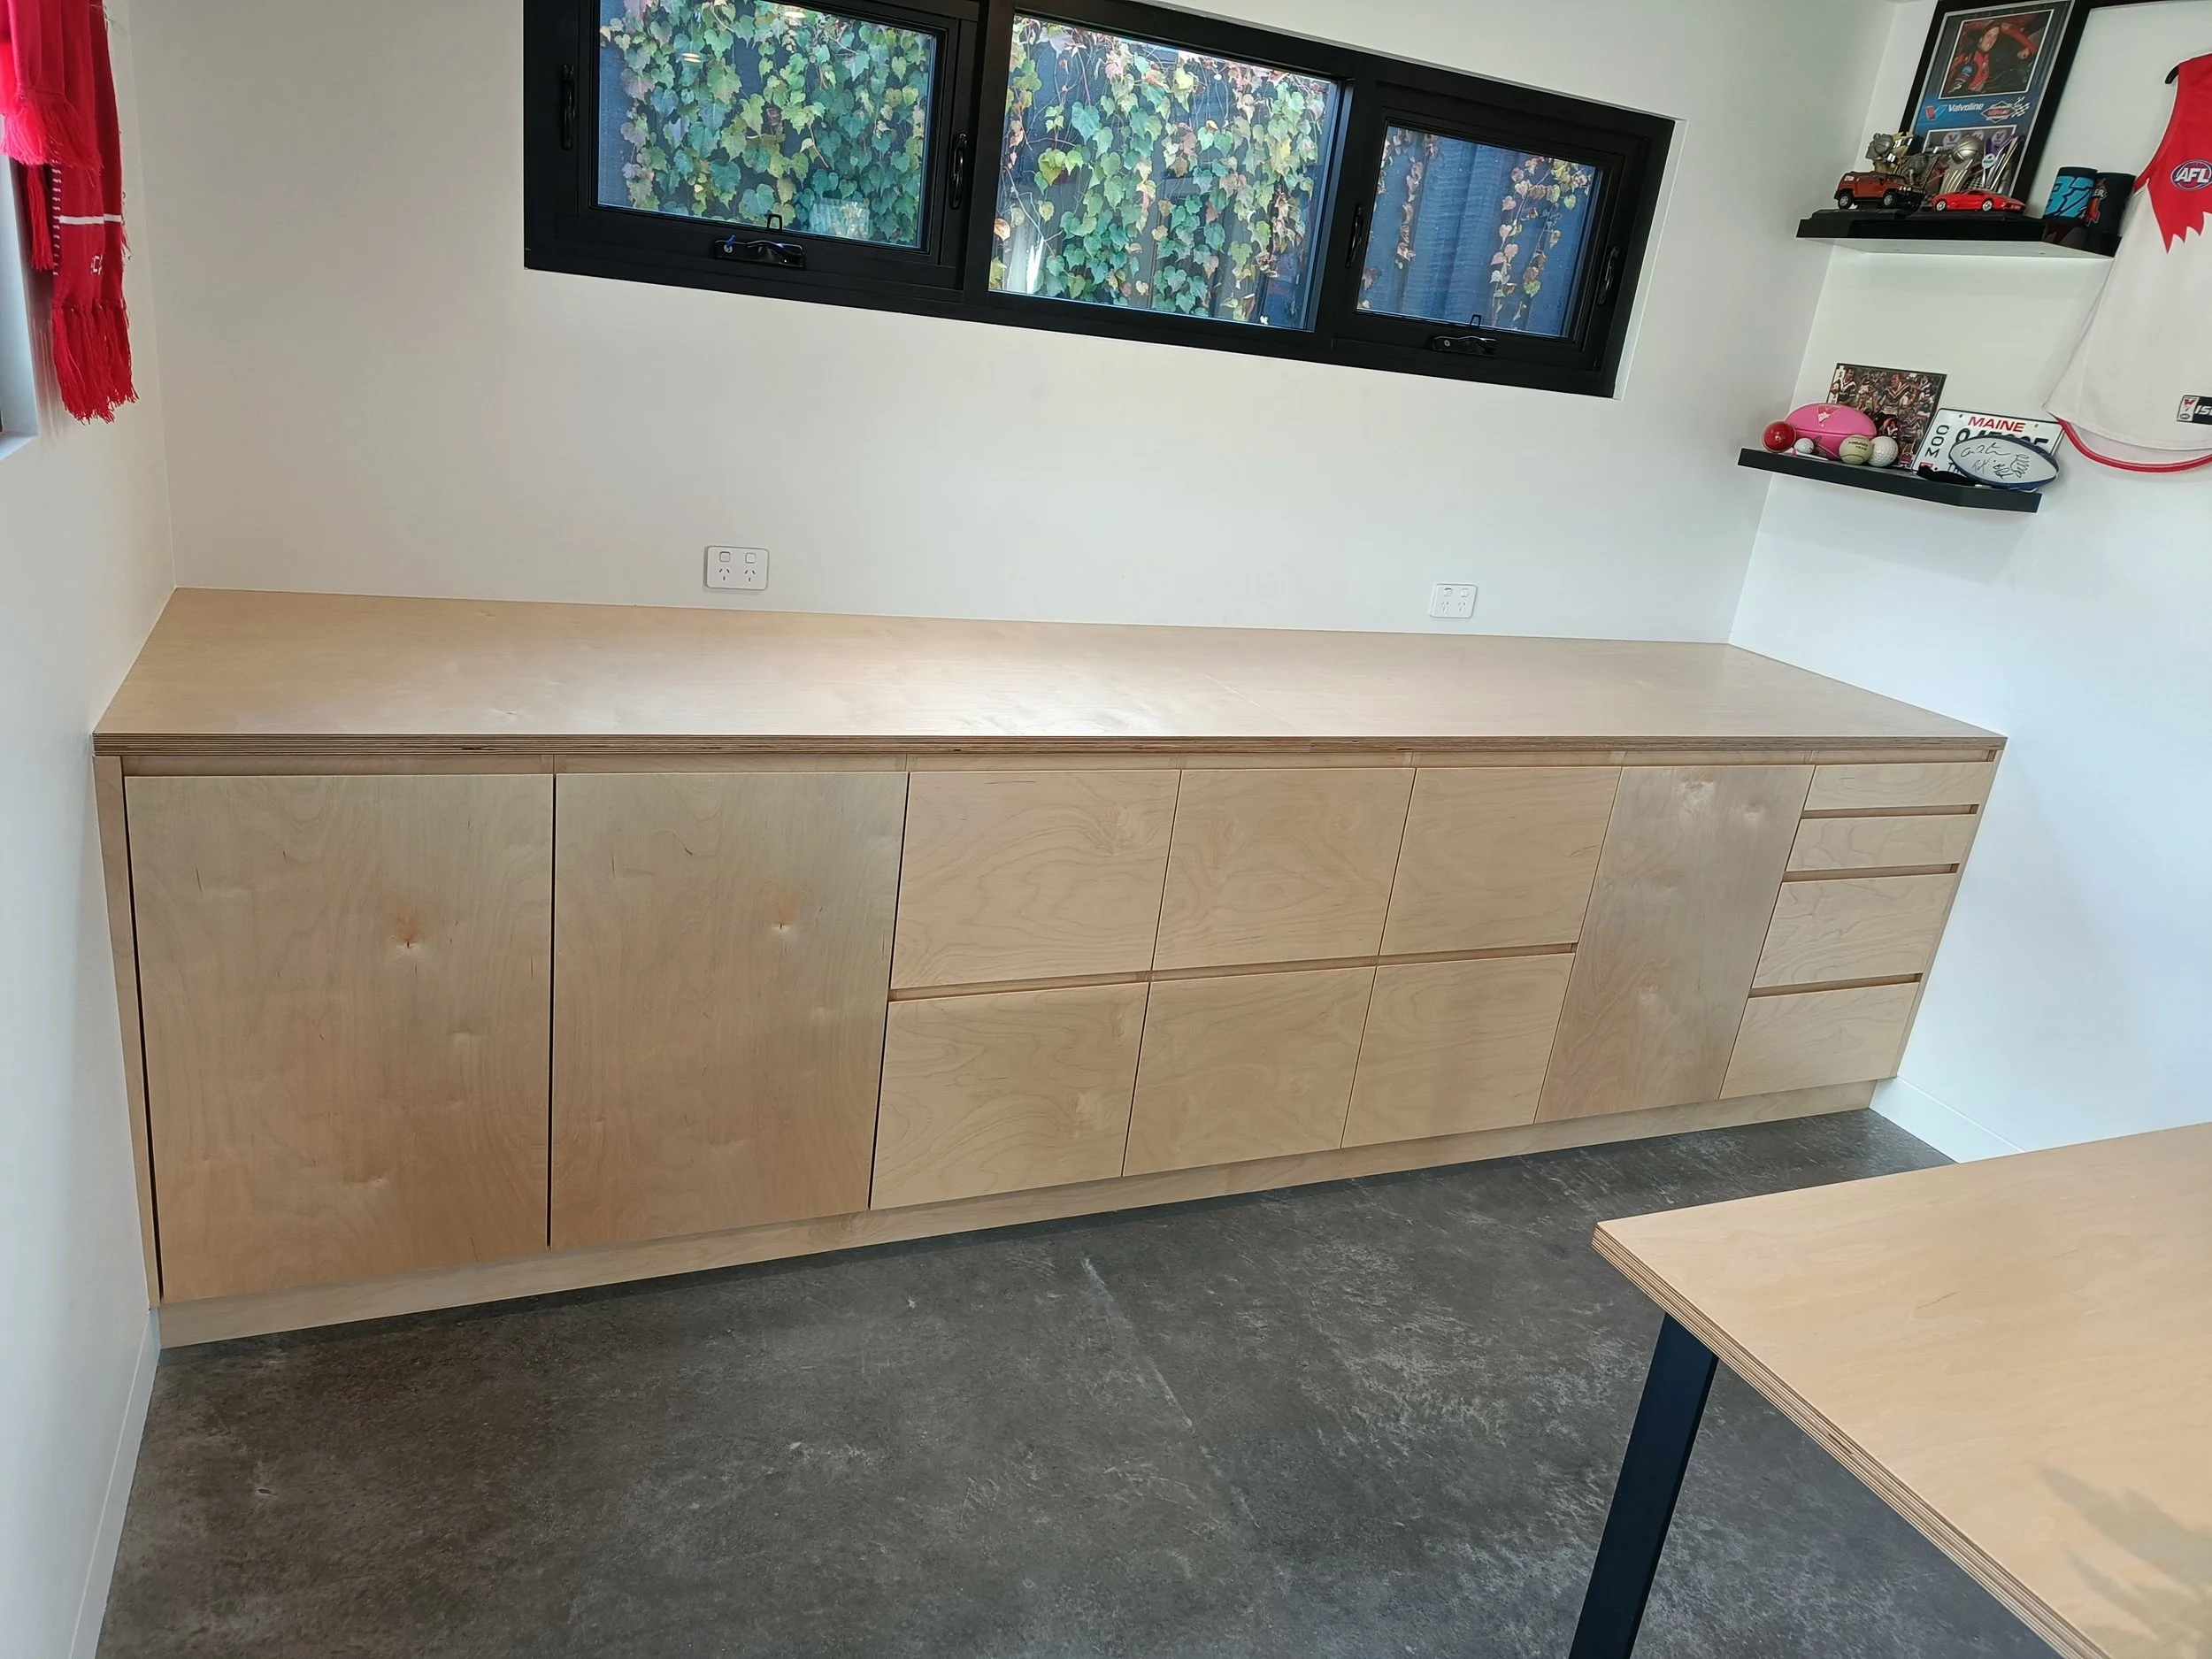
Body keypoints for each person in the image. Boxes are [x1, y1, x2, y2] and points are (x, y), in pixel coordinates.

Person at [1945, 18, 2042, 97]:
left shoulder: (1985, 55)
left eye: (1994, 37)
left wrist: (2017, 57)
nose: (1991, 41)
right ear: (1981, 38)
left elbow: (1995, 67)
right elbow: (1955, 93)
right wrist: (1982, 97)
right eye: (1989, 36)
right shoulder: (1971, 64)